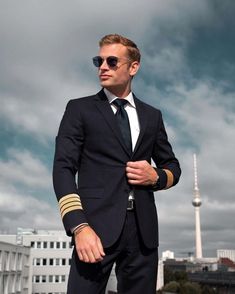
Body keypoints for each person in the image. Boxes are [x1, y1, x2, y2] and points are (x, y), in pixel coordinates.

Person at [53, 34, 181, 294]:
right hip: (94, 229)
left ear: (133, 67)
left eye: (112, 61)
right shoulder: (79, 109)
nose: (102, 67)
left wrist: (155, 176)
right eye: (98, 60)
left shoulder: (152, 116)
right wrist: (79, 227)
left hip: (143, 234)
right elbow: (63, 168)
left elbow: (173, 167)